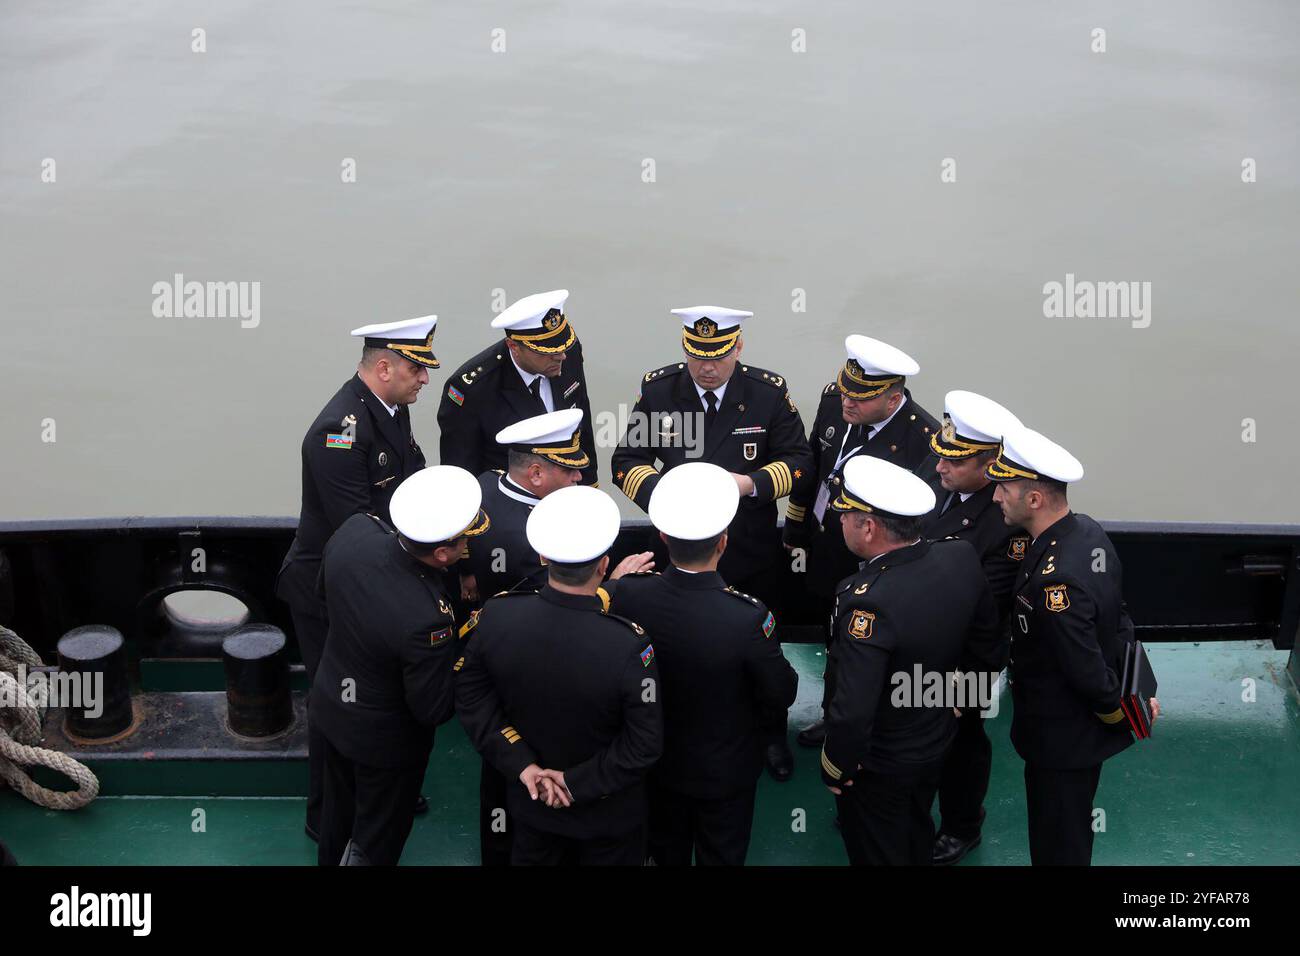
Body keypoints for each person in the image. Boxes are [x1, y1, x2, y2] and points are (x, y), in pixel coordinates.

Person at [610, 305, 811, 781]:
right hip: (679, 549)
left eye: (719, 355)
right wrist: (669, 498)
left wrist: (748, 485)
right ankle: (667, 729)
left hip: (747, 547)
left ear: (738, 348)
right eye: (698, 355)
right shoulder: (660, 392)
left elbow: (800, 460)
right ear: (685, 349)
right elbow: (625, 461)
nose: (707, 366)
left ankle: (770, 734)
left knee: (763, 646)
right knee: (671, 645)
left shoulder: (767, 393)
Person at [276, 314, 439, 841]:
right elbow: (357, 530)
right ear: (384, 366)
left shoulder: (391, 408)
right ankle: (323, 816)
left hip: (369, 577)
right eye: (417, 369)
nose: (426, 380)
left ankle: (386, 788)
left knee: (377, 691)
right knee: (335, 705)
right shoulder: (338, 431)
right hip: (330, 588)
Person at [455, 486, 663, 865]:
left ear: (541, 556)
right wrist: (572, 782)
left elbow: (472, 701)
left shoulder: (497, 617)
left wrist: (525, 766)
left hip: (532, 807)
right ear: (604, 566)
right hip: (607, 822)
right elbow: (643, 744)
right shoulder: (628, 645)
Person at [607, 463, 798, 865]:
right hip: (723, 773)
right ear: (723, 542)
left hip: (654, 764)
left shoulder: (628, 596)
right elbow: (781, 691)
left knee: (663, 850)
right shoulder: (747, 616)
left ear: (662, 537)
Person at [986, 426, 1158, 865]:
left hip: (1061, 738)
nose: (995, 497)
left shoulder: (1055, 579)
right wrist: (1134, 693)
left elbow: (1084, 669)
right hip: (1072, 736)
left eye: (1004, 487)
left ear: (1035, 499)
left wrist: (1124, 712)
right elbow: (1118, 619)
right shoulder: (1087, 533)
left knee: (1059, 842)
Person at [820, 456, 1000, 865]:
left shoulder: (867, 601)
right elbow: (988, 643)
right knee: (916, 828)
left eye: (846, 514)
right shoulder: (960, 557)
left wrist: (836, 765)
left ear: (868, 526)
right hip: (937, 737)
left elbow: (852, 709)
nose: (840, 521)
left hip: (881, 761)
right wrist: (963, 696)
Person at [311, 465, 489, 865]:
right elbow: (433, 708)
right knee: (378, 834)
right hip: (384, 746)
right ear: (441, 554)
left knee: (337, 816)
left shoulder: (356, 531)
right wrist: (468, 654)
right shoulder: (428, 619)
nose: (467, 549)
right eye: (465, 543)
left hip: (330, 708)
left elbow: (323, 596)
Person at [784, 335, 941, 750]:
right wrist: (796, 529)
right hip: (825, 544)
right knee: (831, 631)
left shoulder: (923, 438)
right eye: (846, 390)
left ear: (892, 400)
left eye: (861, 397)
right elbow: (816, 466)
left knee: (861, 645)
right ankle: (832, 712)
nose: (847, 403)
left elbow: (917, 524)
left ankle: (852, 724)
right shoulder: (834, 398)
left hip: (875, 565)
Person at [458, 408, 588, 866]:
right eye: (568, 470)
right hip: (530, 656)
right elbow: (569, 596)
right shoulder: (532, 540)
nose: (578, 478)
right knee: (526, 754)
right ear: (535, 472)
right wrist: (620, 583)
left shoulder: (486, 485)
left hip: (489, 635)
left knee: (498, 763)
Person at [924, 391, 1026, 865]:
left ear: (988, 466)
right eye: (941, 453)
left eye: (953, 461)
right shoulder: (942, 480)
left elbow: (983, 604)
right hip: (920, 640)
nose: (940, 466)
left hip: (967, 656)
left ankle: (963, 826)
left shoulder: (1004, 524)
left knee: (961, 743)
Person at [438, 289, 599, 486]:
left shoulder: (567, 353)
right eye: (546, 351)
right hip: (506, 507)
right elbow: (460, 474)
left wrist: (590, 490)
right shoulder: (473, 389)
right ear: (513, 346)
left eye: (561, 347)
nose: (560, 356)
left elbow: (582, 427)